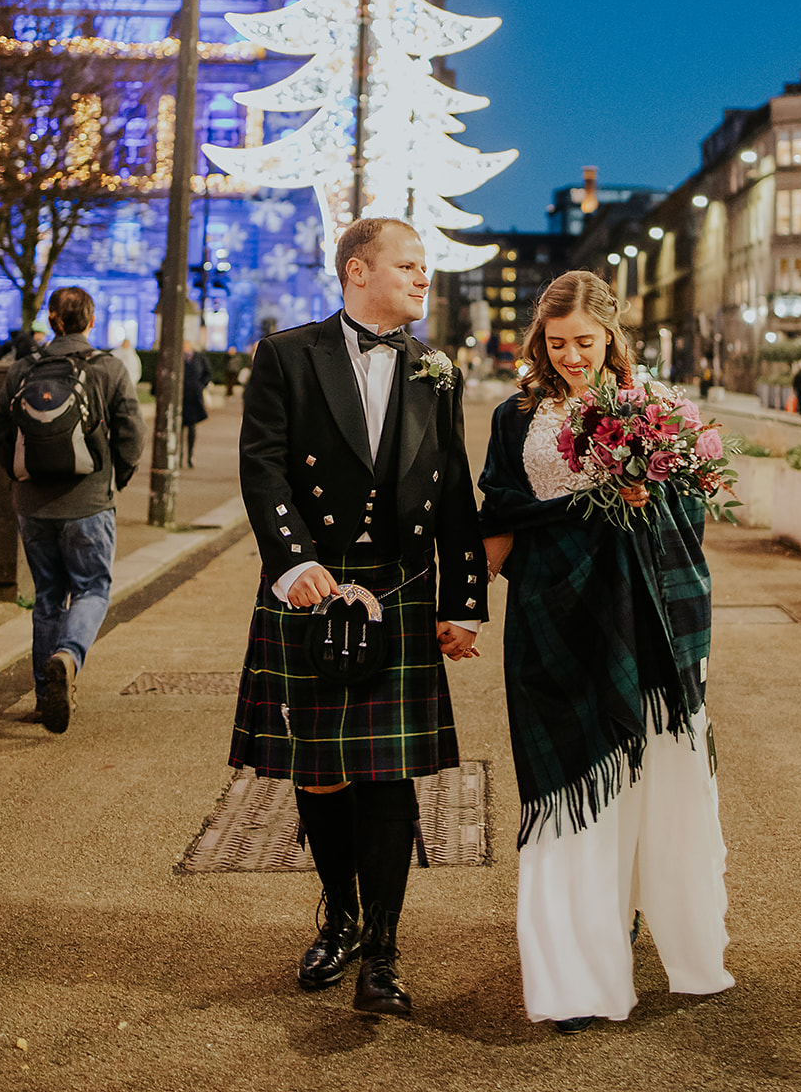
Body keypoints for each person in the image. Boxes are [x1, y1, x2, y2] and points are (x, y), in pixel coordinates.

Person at [232, 217, 487, 1018]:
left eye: (425, 268)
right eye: (409, 266)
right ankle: (337, 917)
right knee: (319, 769)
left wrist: (461, 604)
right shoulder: (286, 356)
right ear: (356, 271)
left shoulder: (433, 371)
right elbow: (262, 461)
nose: (423, 279)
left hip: (401, 588)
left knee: (387, 778)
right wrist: (295, 561)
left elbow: (452, 490)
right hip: (315, 587)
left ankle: (382, 948)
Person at [478, 271, 732, 1034]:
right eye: (555, 344)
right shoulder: (512, 415)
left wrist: (644, 497)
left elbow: (689, 509)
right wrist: (458, 613)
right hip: (549, 617)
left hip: (641, 620)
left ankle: (619, 921)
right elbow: (499, 508)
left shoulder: (655, 411)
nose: (570, 357)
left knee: (642, 780)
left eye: (583, 342)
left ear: (610, 336)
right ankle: (575, 967)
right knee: (564, 775)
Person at [0, 286, 144, 733]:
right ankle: (68, 656)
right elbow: (132, 434)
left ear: (51, 320)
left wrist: (19, 478)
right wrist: (116, 481)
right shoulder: (108, 368)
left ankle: (43, 695)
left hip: (33, 504)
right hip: (90, 501)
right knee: (93, 588)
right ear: (90, 322)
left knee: (48, 597)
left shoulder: (22, 369)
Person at [181, 340, 212, 467]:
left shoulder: (199, 357)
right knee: (179, 428)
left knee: (192, 428)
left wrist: (200, 386)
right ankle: (178, 456)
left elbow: (207, 373)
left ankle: (189, 456)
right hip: (181, 397)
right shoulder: (178, 357)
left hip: (193, 397)